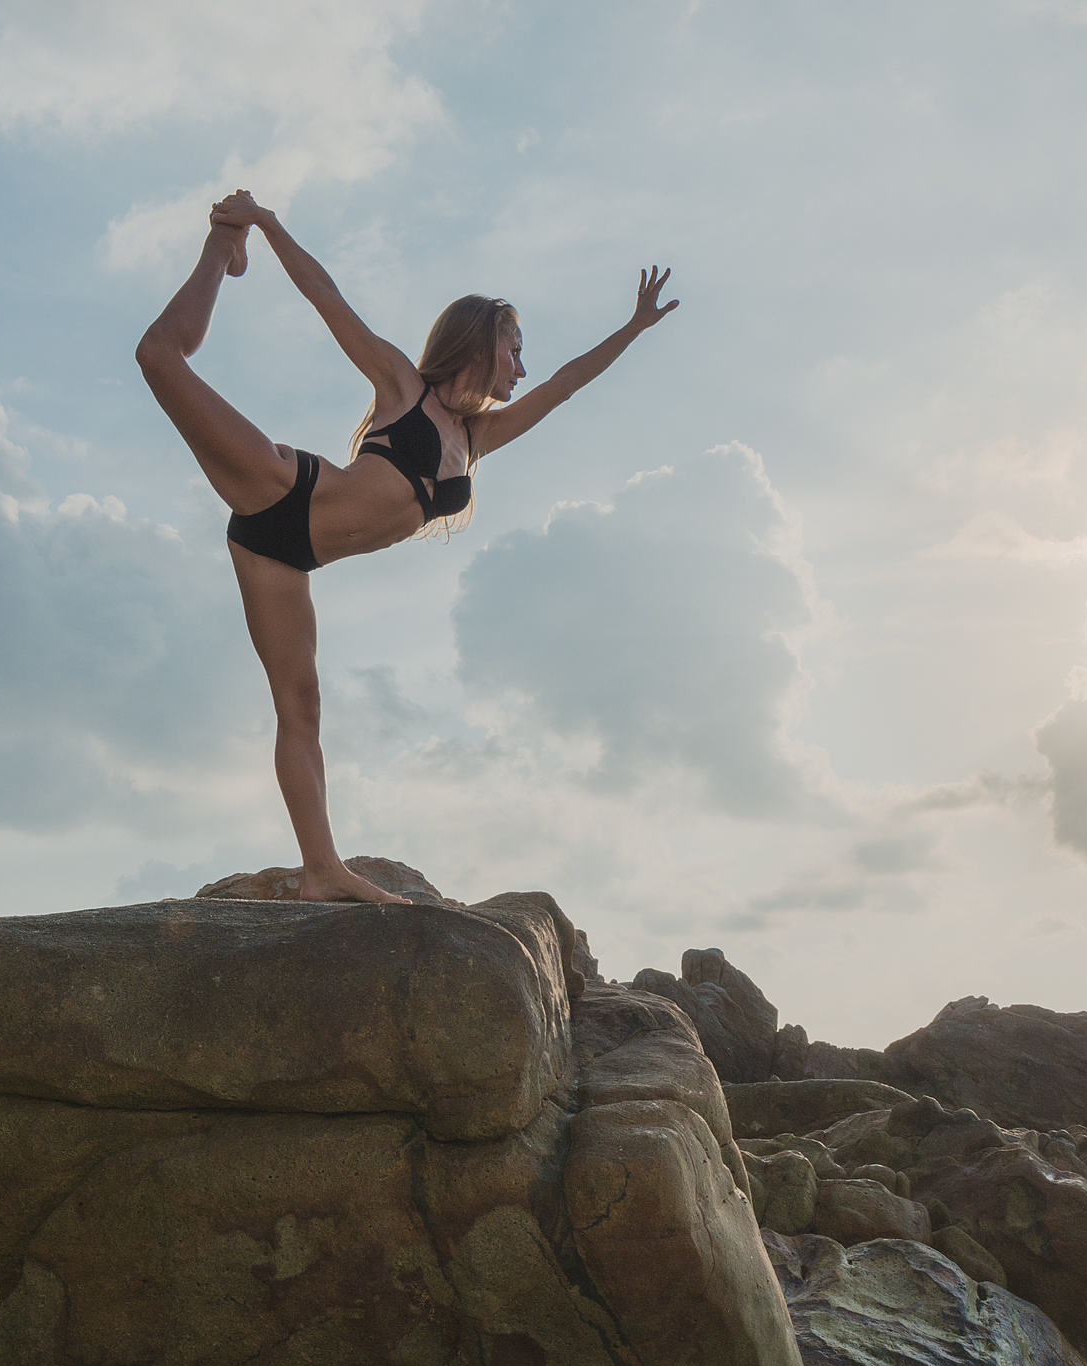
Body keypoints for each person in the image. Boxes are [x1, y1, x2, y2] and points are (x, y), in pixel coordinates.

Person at [135, 189, 679, 905]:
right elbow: (327, 297)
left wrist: (634, 327)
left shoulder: (476, 442)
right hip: (282, 488)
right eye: (515, 347)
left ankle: (321, 868)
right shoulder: (403, 387)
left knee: (302, 706)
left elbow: (564, 385)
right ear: (482, 339)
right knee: (159, 356)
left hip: (284, 557)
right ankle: (221, 245)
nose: (521, 365)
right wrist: (266, 226)